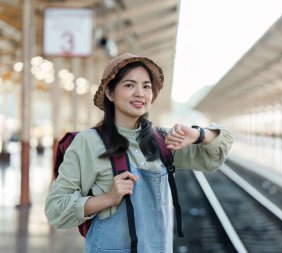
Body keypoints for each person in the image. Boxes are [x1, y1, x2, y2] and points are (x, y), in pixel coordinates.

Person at [44, 53, 233, 253]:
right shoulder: (88, 142)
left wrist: (198, 134)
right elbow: (56, 208)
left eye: (146, 86)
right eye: (129, 85)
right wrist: (108, 198)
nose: (140, 93)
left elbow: (215, 156)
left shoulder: (162, 140)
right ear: (109, 92)